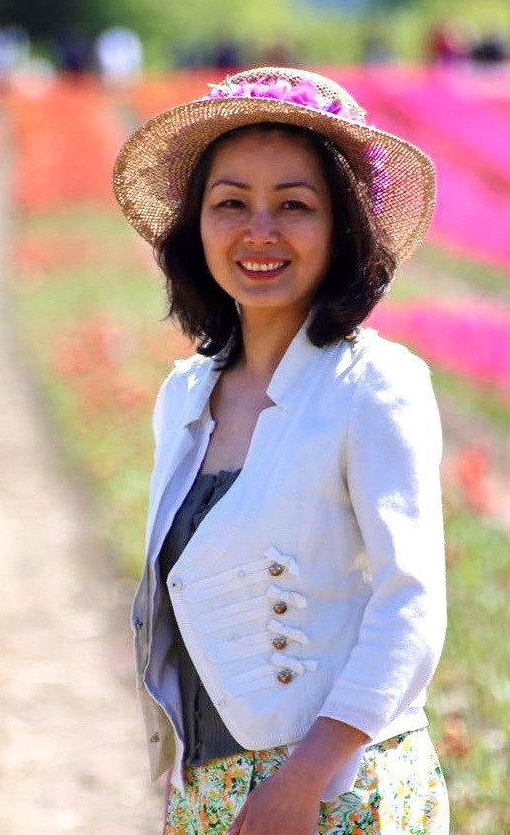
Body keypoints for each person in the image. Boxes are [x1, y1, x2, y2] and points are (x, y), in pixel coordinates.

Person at [112, 67, 449, 835]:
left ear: (341, 227)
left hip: (338, 784)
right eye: (230, 203)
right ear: (196, 226)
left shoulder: (372, 385)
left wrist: (301, 782)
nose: (259, 231)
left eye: (293, 205)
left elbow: (409, 602)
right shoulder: (185, 394)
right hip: (209, 785)